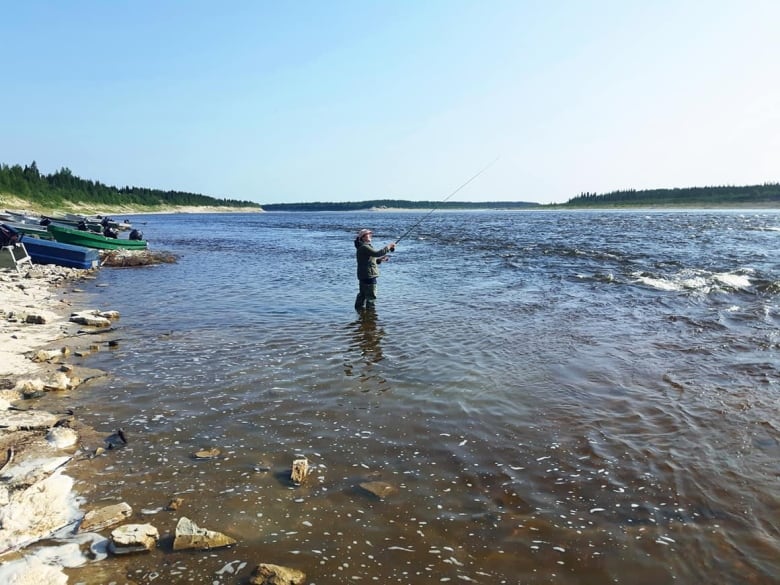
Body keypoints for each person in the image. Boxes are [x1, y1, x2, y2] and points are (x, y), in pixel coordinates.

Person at [354, 228, 396, 311]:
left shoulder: (363, 247)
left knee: (362, 295)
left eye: (370, 234)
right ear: (363, 237)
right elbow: (376, 253)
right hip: (369, 276)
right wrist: (389, 246)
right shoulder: (364, 247)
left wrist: (379, 260)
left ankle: (360, 314)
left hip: (364, 275)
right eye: (368, 234)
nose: (370, 235)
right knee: (371, 297)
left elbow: (368, 261)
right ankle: (370, 316)